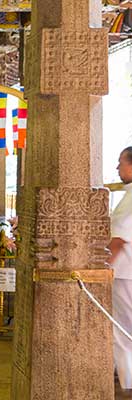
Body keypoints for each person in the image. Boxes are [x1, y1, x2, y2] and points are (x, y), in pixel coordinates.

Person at [110, 146, 132, 390]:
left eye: (121, 163)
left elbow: (119, 238)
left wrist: (103, 267)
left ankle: (128, 384)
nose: (118, 168)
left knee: (123, 331)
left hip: (126, 272)